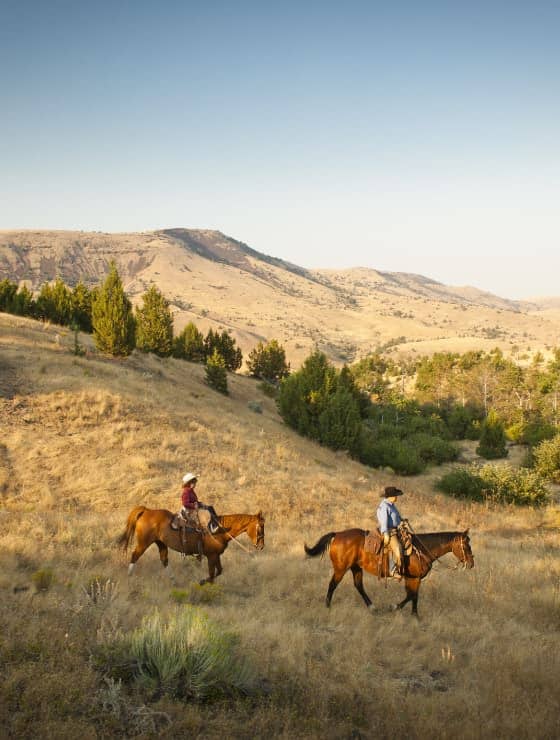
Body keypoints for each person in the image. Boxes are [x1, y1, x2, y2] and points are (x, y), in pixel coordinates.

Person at [376, 486, 405, 580]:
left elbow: (396, 517)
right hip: (389, 531)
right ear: (391, 496)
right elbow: (384, 521)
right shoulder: (384, 506)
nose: (397, 497)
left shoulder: (391, 505)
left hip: (396, 529)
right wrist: (385, 533)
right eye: (395, 495)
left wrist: (402, 521)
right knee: (397, 547)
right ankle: (393, 571)